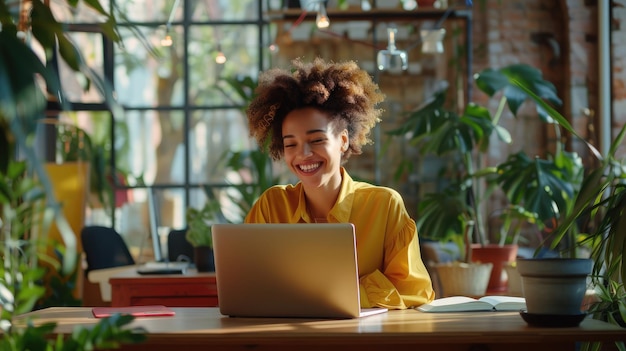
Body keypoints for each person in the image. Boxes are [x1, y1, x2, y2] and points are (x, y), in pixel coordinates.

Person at [244, 57, 435, 309]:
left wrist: (334, 296)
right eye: (291, 144)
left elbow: (414, 291)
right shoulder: (271, 206)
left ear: (343, 140)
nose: (303, 154)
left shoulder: (384, 205)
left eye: (316, 140)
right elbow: (248, 285)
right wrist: (363, 287)